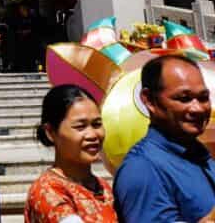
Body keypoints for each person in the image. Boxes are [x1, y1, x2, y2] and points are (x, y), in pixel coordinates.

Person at [114, 55, 215, 222]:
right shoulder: (143, 168)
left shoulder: (200, 155)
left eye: (203, 98)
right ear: (149, 100)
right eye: (184, 99)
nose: (197, 108)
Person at [25, 84, 115, 222]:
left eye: (97, 124)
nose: (92, 135)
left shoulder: (104, 187)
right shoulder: (47, 191)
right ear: (50, 132)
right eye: (80, 126)